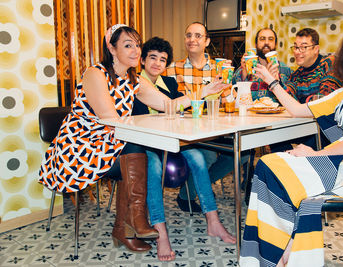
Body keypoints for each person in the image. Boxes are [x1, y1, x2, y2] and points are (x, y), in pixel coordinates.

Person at [38, 25, 223, 253]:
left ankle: (131, 224)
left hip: (114, 143)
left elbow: (169, 105)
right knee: (135, 147)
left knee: (135, 148)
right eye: (128, 45)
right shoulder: (95, 73)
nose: (136, 50)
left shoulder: (135, 80)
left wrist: (204, 92)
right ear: (112, 48)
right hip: (81, 147)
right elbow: (110, 119)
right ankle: (133, 221)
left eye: (137, 44)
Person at [240, 16, 343, 267]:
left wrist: (315, 154)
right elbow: (297, 109)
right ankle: (284, 254)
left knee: (271, 166)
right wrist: (271, 80)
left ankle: (280, 254)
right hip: (337, 165)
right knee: (265, 167)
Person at [133, 36, 236, 261]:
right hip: (142, 144)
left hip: (169, 141)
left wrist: (210, 93)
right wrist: (203, 91)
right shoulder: (134, 83)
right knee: (153, 166)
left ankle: (213, 221)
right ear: (142, 60)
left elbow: (182, 110)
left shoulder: (169, 84)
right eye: (152, 58)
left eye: (162, 60)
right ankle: (160, 232)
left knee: (198, 157)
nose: (157, 63)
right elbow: (169, 107)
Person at [165, 21, 249, 212]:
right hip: (185, 131)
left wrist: (227, 84)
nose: (192, 39)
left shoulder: (218, 68)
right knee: (208, 155)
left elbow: (233, 104)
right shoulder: (171, 69)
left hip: (216, 130)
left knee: (243, 152)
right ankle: (188, 195)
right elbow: (170, 105)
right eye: (188, 35)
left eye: (197, 35)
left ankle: (189, 190)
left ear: (207, 41)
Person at [232, 27, 293, 101]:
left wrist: (277, 82)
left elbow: (293, 101)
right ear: (256, 44)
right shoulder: (245, 68)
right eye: (262, 39)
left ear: (275, 44)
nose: (266, 42)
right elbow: (232, 95)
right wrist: (244, 74)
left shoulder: (286, 71)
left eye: (270, 39)